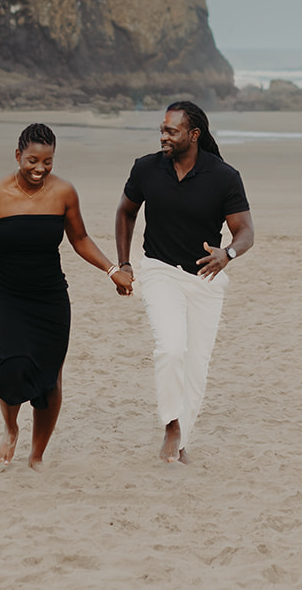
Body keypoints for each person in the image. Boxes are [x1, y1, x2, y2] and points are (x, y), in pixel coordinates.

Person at [0, 123, 133, 469]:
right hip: (2, 295)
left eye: (47, 162)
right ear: (18, 155)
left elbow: (80, 239)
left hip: (50, 297)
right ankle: (10, 428)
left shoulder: (64, 193)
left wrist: (112, 271)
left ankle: (37, 455)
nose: (40, 169)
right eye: (33, 160)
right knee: (13, 366)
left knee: (50, 380)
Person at [114, 100, 255, 463]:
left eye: (171, 131)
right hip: (159, 270)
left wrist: (228, 254)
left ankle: (182, 441)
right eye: (162, 129)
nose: (163, 136)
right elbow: (126, 212)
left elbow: (245, 231)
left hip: (205, 278)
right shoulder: (146, 168)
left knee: (196, 365)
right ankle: (171, 425)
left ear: (193, 135)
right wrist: (125, 263)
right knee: (171, 348)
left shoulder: (224, 176)